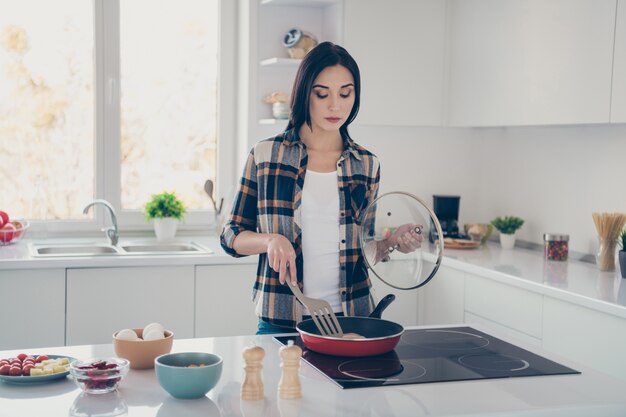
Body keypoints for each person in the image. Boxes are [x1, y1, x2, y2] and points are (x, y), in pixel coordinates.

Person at [220, 42, 422, 335]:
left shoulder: (366, 165)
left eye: (345, 93)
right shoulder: (266, 156)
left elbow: (362, 251)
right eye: (322, 94)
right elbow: (230, 235)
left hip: (352, 319)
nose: (334, 106)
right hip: (281, 320)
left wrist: (393, 241)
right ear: (305, 93)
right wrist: (270, 241)